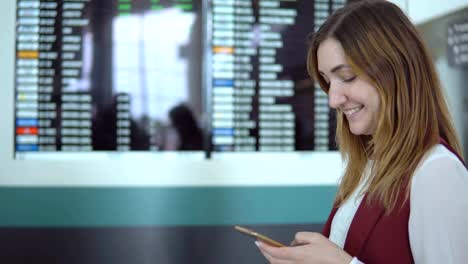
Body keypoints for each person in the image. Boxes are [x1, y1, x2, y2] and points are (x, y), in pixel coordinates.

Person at [255, 1, 468, 263]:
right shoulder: (367, 168)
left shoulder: (436, 172)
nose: (333, 99)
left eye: (346, 76)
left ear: (395, 71)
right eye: (328, 81)